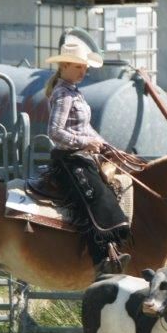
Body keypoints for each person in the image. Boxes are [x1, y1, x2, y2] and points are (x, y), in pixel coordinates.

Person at [44, 35, 131, 275]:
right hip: (68, 160)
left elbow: (85, 128)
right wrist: (86, 143)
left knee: (108, 191)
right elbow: (55, 132)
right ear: (64, 66)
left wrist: (105, 146)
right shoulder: (63, 95)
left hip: (81, 157)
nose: (83, 71)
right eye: (78, 66)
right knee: (96, 197)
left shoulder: (74, 92)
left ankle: (112, 250)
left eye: (84, 67)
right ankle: (100, 258)